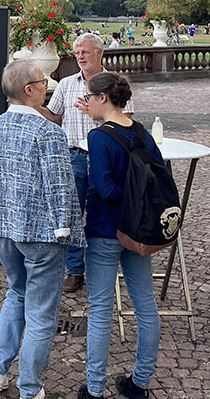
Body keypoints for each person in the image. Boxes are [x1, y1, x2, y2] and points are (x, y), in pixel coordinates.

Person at [0, 60, 84, 399]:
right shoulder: (48, 132)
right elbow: (61, 186)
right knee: (42, 312)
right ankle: (30, 388)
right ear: (28, 89)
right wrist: (66, 229)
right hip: (42, 235)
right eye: (43, 81)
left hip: (3, 231)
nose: (48, 85)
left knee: (16, 294)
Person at [78, 72, 161, 399]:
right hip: (139, 229)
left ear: (102, 98)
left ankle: (95, 389)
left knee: (100, 309)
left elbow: (105, 188)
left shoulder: (99, 138)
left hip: (105, 231)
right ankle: (140, 382)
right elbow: (157, 177)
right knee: (145, 305)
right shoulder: (142, 132)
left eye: (89, 97)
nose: (87, 103)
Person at [40, 33, 133, 293]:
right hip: (74, 158)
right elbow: (54, 116)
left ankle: (103, 267)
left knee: (103, 213)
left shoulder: (114, 84)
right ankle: (75, 270)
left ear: (99, 53)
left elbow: (128, 122)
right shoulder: (67, 84)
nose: (80, 57)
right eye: (77, 53)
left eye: (85, 52)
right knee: (72, 214)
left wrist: (96, 114)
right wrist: (29, 105)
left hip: (106, 160)